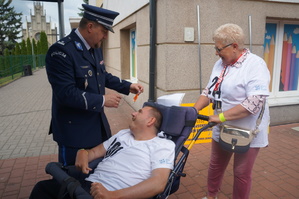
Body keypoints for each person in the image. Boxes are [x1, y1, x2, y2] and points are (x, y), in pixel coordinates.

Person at [45, 4, 144, 166]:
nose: (105, 36)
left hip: (97, 128)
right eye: (104, 31)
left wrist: (127, 86)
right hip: (74, 133)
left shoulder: (94, 48)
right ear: (90, 27)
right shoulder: (61, 52)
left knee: (97, 177)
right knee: (72, 181)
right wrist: (103, 100)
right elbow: (66, 94)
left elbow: (102, 75)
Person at [29, 105, 175, 199]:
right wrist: (82, 152)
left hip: (114, 193)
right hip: (86, 186)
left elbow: (158, 183)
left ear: (150, 121)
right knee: (42, 189)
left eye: (140, 112)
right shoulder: (123, 134)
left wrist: (113, 195)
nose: (133, 113)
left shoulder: (162, 145)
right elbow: (93, 152)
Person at [194, 23, 270, 199]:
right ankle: (211, 196)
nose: (216, 52)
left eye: (218, 48)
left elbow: (253, 103)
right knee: (216, 164)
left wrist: (220, 117)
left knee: (241, 173)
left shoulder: (255, 65)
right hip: (221, 126)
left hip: (247, 130)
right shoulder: (221, 64)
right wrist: (194, 109)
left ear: (234, 46)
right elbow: (209, 91)